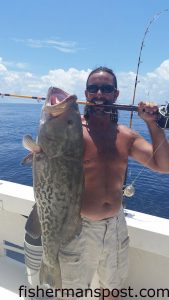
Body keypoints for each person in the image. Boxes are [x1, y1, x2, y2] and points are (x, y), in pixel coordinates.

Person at [24, 67, 169, 300]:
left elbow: (164, 165)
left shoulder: (126, 136)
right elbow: (48, 148)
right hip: (77, 228)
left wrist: (153, 123)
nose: (99, 93)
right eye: (93, 88)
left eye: (106, 88)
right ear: (86, 93)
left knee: (110, 290)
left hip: (115, 227)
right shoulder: (71, 130)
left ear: (116, 94)